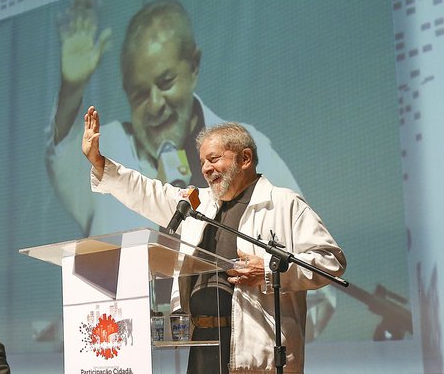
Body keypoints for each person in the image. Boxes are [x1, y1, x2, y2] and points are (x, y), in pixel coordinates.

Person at [82, 106, 347, 373]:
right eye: (203, 163)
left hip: (255, 350)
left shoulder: (283, 203)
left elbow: (329, 262)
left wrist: (267, 269)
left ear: (245, 158)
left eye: (214, 159)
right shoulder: (196, 204)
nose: (207, 169)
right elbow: (147, 192)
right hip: (202, 343)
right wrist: (100, 162)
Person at [46, 0, 302, 237]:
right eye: (140, 94)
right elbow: (63, 155)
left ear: (194, 67)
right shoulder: (113, 144)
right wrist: (72, 87)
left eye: (166, 82)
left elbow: (317, 262)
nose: (155, 104)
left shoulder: (244, 148)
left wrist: (267, 272)